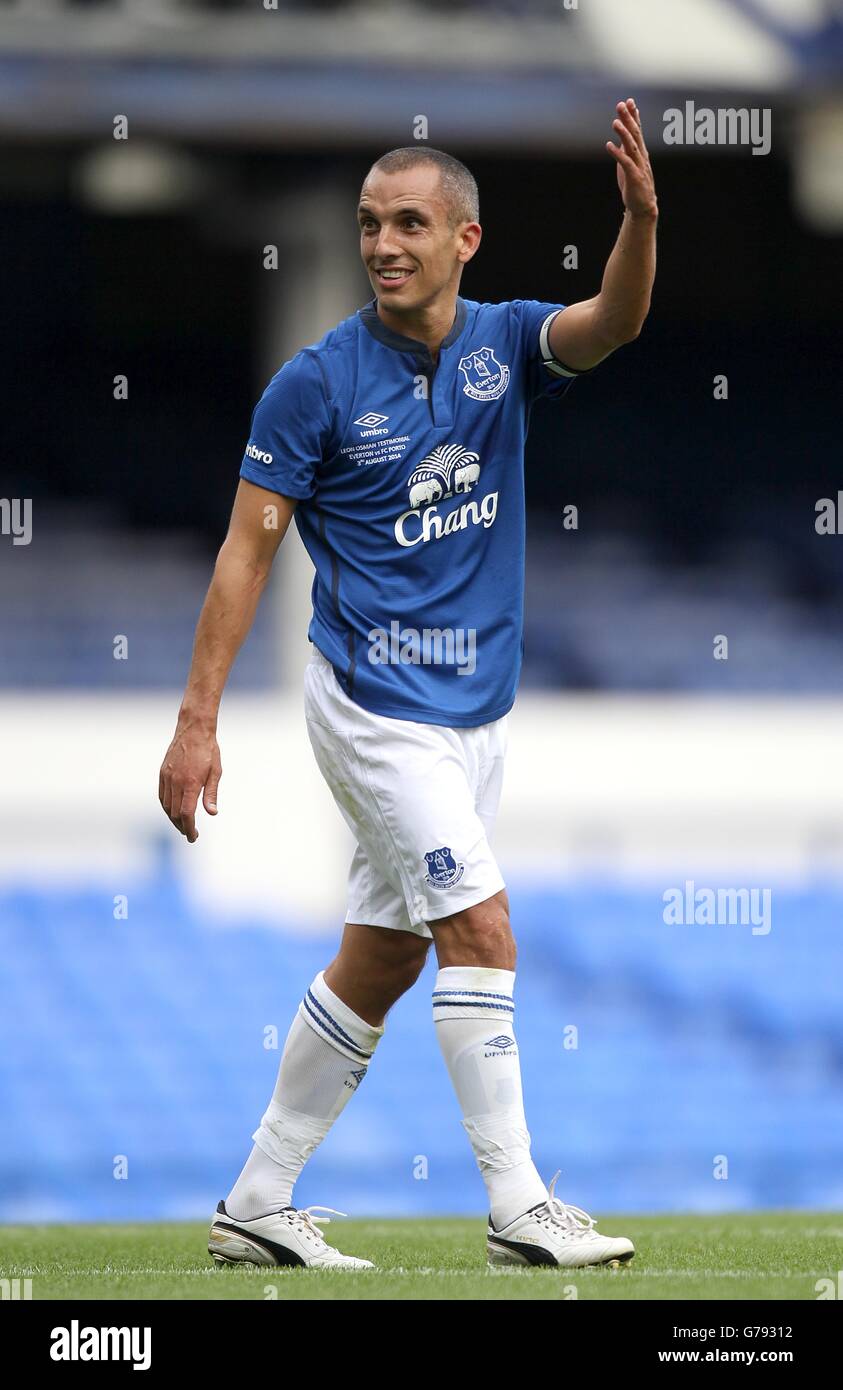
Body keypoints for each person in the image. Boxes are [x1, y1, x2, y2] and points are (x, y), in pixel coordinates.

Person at [159, 99, 657, 1270]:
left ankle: (255, 1199)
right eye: (371, 223)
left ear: (465, 240)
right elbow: (246, 549)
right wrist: (197, 722)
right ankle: (519, 1205)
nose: (384, 243)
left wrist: (637, 219)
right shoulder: (316, 383)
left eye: (410, 223)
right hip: (375, 706)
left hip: (477, 716)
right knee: (481, 928)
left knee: (381, 957)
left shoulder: (506, 345)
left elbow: (616, 322)